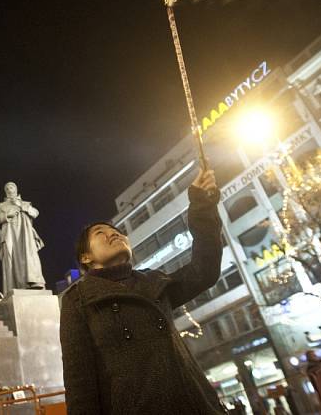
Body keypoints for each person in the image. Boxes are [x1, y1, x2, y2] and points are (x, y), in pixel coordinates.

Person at [60, 168, 226, 414]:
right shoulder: (79, 299)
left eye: (115, 231)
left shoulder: (154, 281)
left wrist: (201, 204)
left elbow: (205, 269)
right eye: (100, 233)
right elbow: (79, 381)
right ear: (86, 257)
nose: (113, 234)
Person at [0, 182, 45, 295]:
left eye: (11, 187)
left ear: (16, 189)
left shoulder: (25, 203)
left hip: (25, 235)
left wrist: (21, 205)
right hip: (10, 234)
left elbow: (35, 213)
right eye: (6, 188)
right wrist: (7, 215)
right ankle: (13, 286)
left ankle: (33, 282)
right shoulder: (1, 205)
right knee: (12, 259)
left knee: (29, 257)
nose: (9, 189)